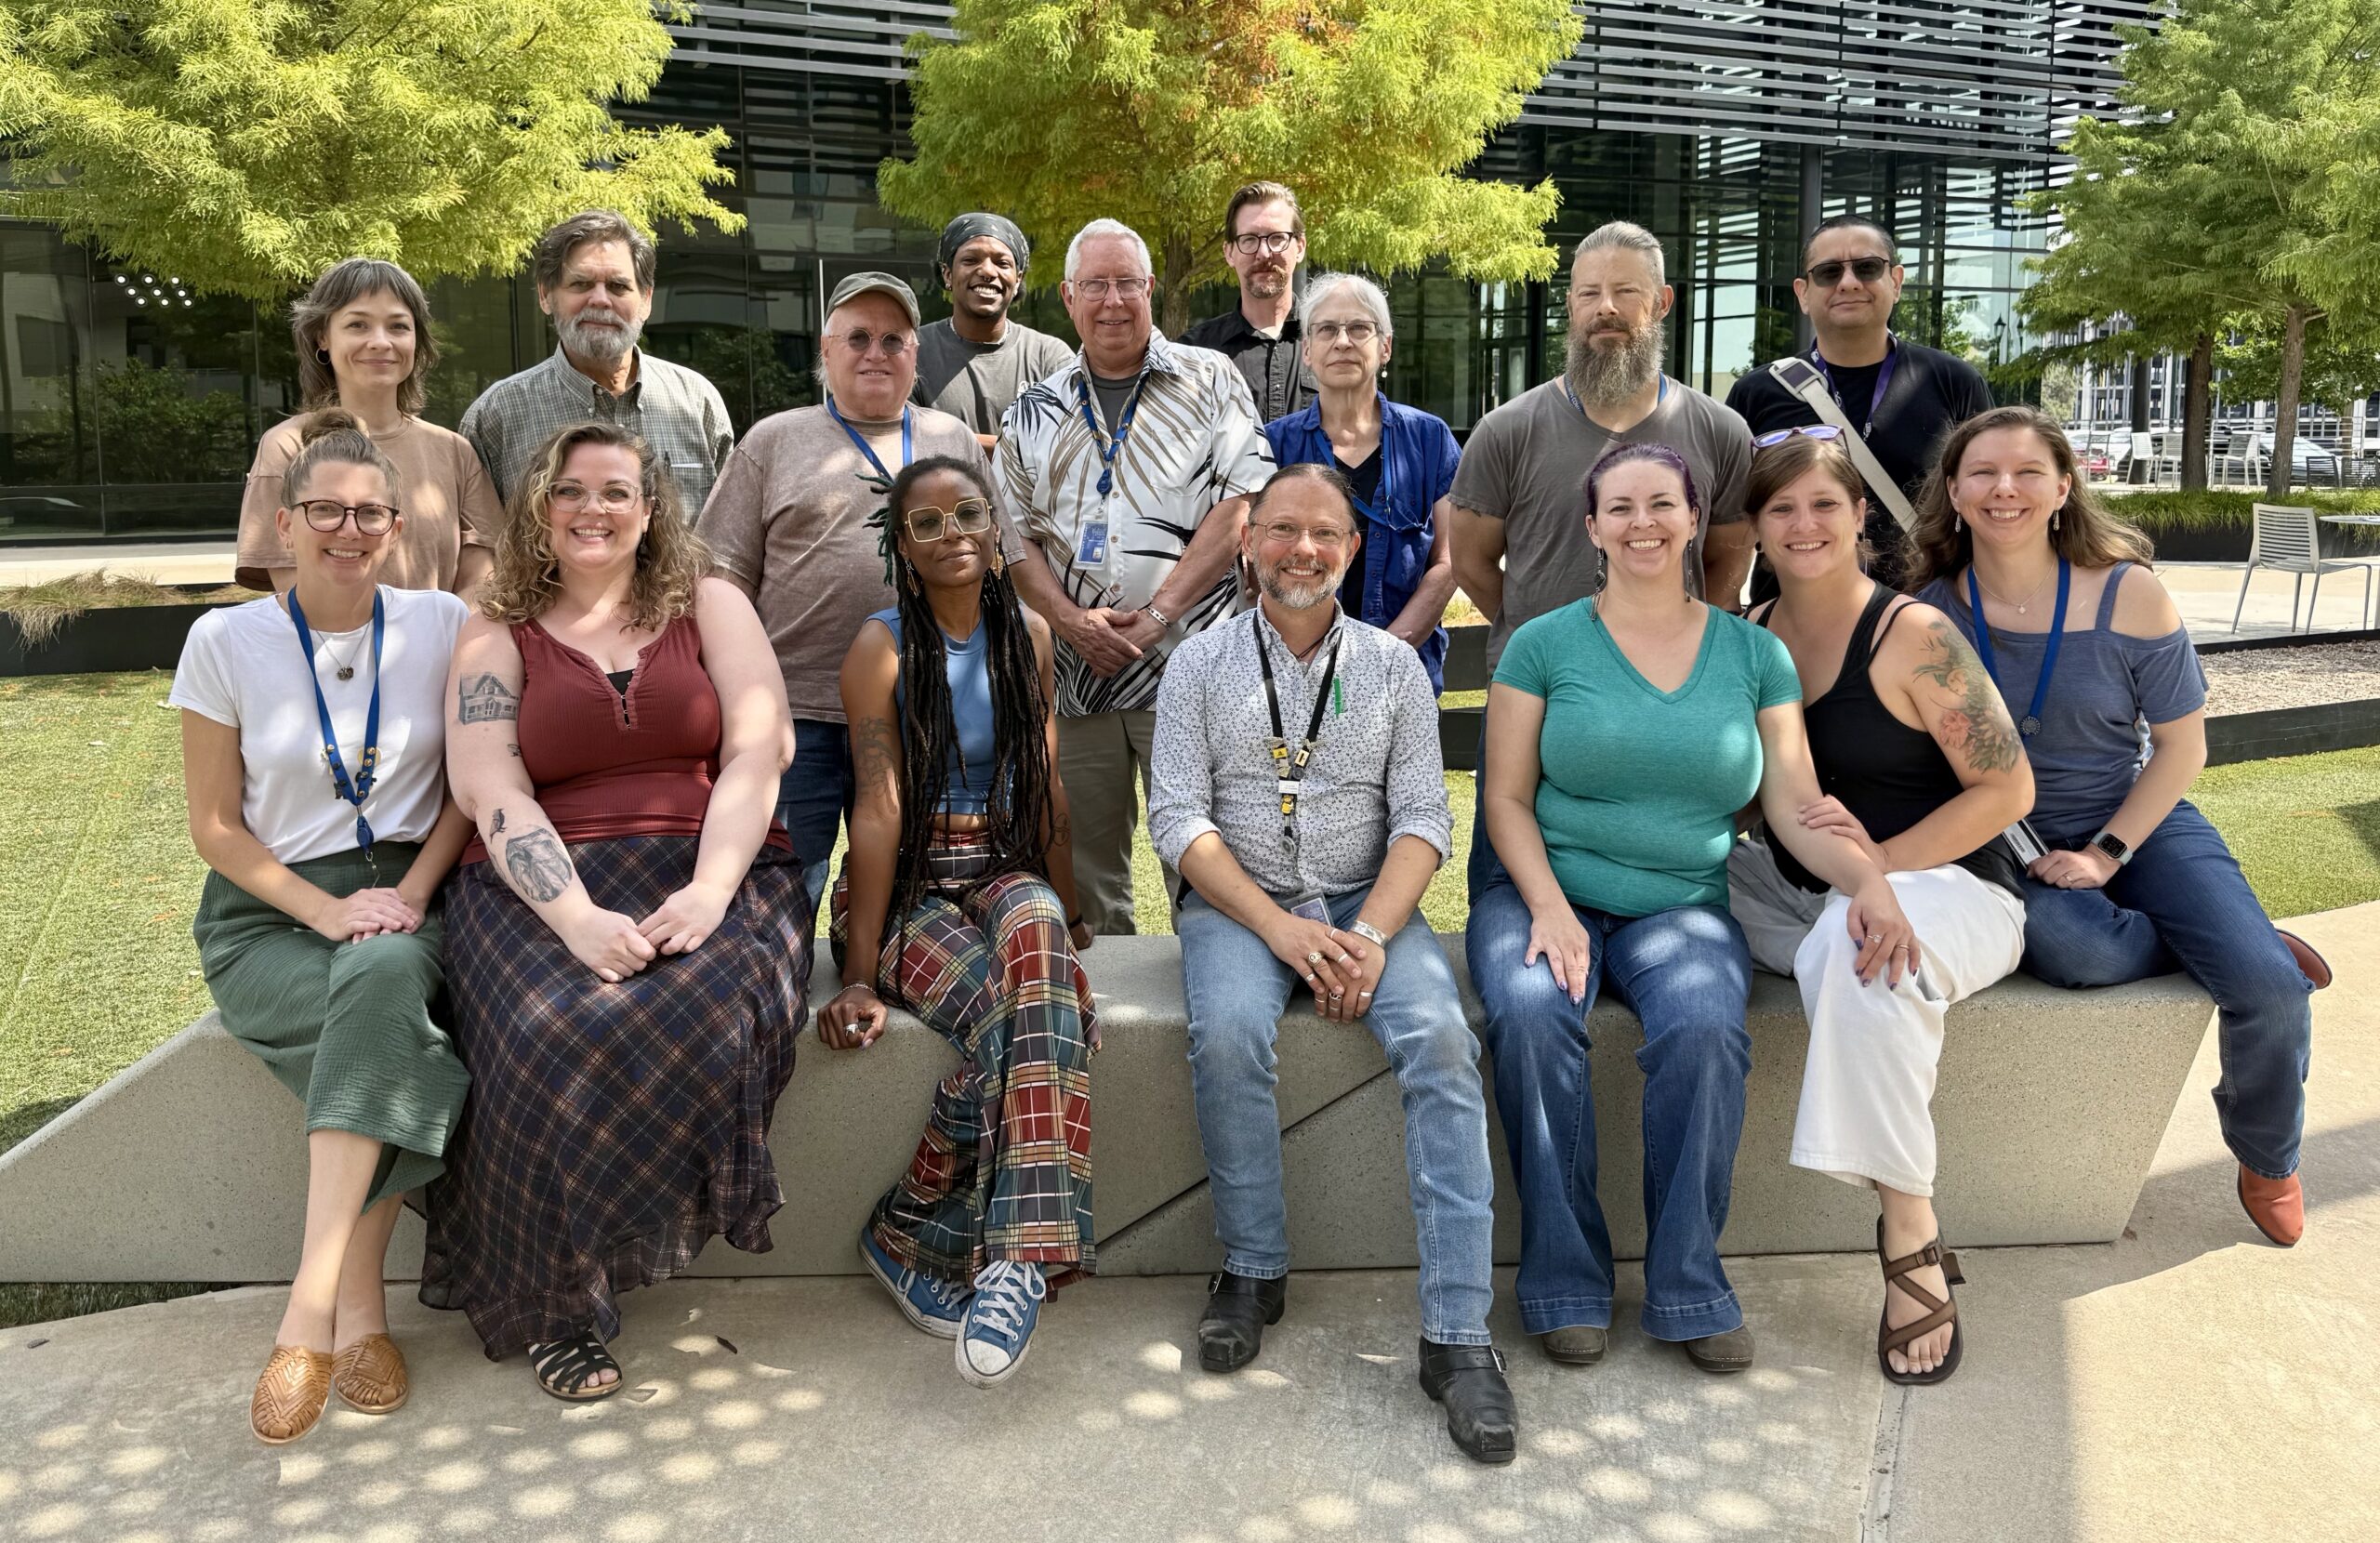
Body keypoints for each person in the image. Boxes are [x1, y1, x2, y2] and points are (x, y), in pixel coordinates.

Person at [1471, 442, 1918, 1376]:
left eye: (1662, 504)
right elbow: (1504, 799)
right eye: (1621, 507)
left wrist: (1868, 879)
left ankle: (1687, 1284)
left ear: (1693, 520)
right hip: (1543, 890)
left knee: (1707, 1027)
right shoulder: (1542, 645)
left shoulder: (1753, 655)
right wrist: (1548, 908)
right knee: (1530, 1013)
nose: (1643, 522)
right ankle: (1564, 1283)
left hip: (1681, 903)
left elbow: (1795, 805)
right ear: (1593, 528)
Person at [429, 422, 808, 1401]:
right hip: (537, 879)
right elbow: (489, 783)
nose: (591, 509)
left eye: (614, 492)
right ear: (538, 508)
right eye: (570, 490)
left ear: (649, 510)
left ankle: (622, 1239)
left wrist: (712, 889)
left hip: (712, 859)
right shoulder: (495, 625)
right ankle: (557, 1304)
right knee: (538, 1032)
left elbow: (760, 748)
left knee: (702, 1007)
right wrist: (576, 918)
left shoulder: (709, 602)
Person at [1150, 463, 1515, 1464]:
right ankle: (1252, 1267)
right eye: (1281, 529)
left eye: (1324, 533)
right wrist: (1277, 927)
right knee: (1229, 1032)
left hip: (1366, 904)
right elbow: (1176, 818)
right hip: (1240, 906)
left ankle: (1457, 1333)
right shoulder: (1199, 664)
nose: (1302, 549)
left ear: (1353, 551)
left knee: (1442, 1043)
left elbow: (1425, 818)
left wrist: (1372, 937)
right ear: (1247, 543)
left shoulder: (1394, 668)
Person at [1910, 406, 2330, 1248]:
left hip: (2137, 814)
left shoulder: (2128, 592)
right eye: (1982, 472)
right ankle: (2219, 939)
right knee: (2082, 954)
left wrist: (2107, 853)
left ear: (2065, 487)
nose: (2004, 489)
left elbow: (2182, 747)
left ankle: (2268, 1154)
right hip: (2008, 835)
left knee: (2269, 989)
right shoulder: (1926, 614)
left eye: (2028, 471)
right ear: (1952, 492)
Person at [174, 411, 474, 1444]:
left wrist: (413, 893)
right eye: (326, 511)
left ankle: (310, 1314)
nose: (349, 530)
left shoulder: (441, 621)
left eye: (369, 514)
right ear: (285, 523)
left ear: (397, 526)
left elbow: (468, 790)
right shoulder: (224, 641)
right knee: (380, 1010)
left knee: (385, 976)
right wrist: (326, 910)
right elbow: (215, 827)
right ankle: (353, 1312)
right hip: (269, 914)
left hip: (411, 893)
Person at [1726, 429, 2034, 1385]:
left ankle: (1909, 1226)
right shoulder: (1748, 633)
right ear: (1755, 528)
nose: (1804, 524)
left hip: (1949, 888)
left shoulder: (1915, 636)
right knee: (1672, 898)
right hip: (1795, 887)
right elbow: (1756, 795)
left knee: (1859, 958)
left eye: (1825, 503)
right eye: (1781, 508)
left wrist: (1880, 874)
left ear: (1861, 514)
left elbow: (2008, 789)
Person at [817, 455, 1099, 1388]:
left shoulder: (1028, 635)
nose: (953, 535)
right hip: (904, 884)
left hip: (1001, 861)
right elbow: (878, 807)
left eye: (969, 514)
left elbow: (1045, 785)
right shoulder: (881, 648)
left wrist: (1069, 908)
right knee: (1033, 1023)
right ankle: (926, 1236)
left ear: (995, 527)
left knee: (1043, 952)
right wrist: (860, 973)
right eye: (927, 523)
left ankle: (984, 1254)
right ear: (901, 546)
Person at [1450, 220, 1756, 898]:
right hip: (1535, 700)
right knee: (1510, 891)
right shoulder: (1507, 431)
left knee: (1662, 887)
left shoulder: (1720, 432)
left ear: (1663, 303)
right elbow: (1470, 561)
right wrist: (1537, 636)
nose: (1605, 309)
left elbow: (1730, 556)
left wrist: (1684, 641)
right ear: (1570, 306)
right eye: (1588, 294)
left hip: (1670, 703)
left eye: (1625, 292)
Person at [998, 218, 1275, 935]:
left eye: (1127, 282)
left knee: (1208, 859)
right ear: (1068, 296)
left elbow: (1240, 503)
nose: (1113, 300)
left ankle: (1214, 986)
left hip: (1191, 670)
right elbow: (1013, 536)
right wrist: (1069, 623)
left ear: (1150, 288)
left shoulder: (1212, 379)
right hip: (1078, 677)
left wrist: (1157, 617)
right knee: (1088, 872)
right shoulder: (1032, 409)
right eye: (1095, 285)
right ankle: (1110, 1003)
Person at [699, 272, 992, 911]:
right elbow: (718, 580)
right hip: (793, 715)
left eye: (893, 340)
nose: (875, 353)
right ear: (826, 351)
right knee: (780, 893)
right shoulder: (772, 441)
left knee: (913, 896)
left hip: (923, 709)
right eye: (858, 338)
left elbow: (997, 563)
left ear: (915, 354)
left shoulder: (953, 441)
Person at [1726, 215, 1993, 601]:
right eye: (1829, 272)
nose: (1848, 283)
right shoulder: (1757, 393)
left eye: (1867, 267)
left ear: (1896, 281)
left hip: (1923, 612)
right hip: (1788, 620)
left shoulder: (1954, 382)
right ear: (1803, 293)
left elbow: (1984, 506)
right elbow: (1733, 527)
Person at [236, 257, 501, 596]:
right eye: (358, 325)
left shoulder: (455, 452)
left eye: (398, 326)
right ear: (322, 337)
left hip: (446, 633)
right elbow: (295, 589)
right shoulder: (287, 446)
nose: (380, 342)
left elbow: (482, 576)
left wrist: (446, 627)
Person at [458, 210, 736, 512]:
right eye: (581, 284)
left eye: (618, 286)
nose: (601, 300)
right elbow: (480, 538)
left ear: (646, 300)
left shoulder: (697, 402)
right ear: (545, 295)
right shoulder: (496, 417)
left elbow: (727, 530)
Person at [1262, 272, 1460, 692]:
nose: (1343, 342)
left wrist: (1386, 655)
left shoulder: (1429, 440)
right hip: (1295, 679)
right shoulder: (1274, 445)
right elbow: (1257, 567)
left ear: (1385, 346)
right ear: (1307, 350)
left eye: (1359, 328)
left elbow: (1450, 560)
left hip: (1402, 678)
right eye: (1327, 329)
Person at [911, 214, 1076, 448]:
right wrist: (1020, 446)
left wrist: (951, 440)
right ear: (948, 274)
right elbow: (903, 439)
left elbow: (1068, 446)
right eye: (970, 260)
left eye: (1002, 263)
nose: (987, 271)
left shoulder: (1049, 358)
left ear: (1017, 279)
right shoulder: (913, 351)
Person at [1180, 181, 1316, 423]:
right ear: (1229, 252)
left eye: (1277, 238)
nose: (1263, 253)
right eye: (1249, 239)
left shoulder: (1332, 342)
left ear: (1300, 247)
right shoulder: (1194, 354)